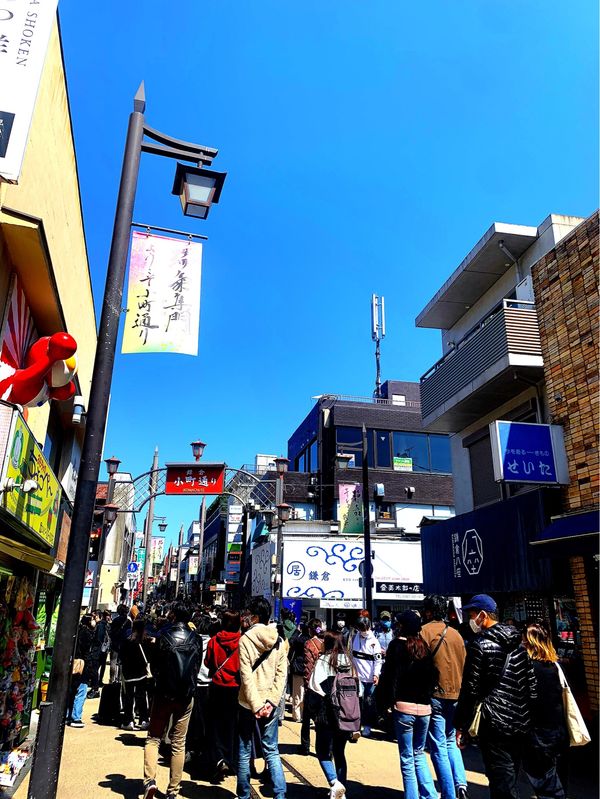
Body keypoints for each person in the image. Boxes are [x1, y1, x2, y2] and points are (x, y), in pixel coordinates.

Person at [455, 594, 537, 799]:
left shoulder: (479, 645)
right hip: (520, 722)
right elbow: (531, 685)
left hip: (494, 724)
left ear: (483, 615)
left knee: (501, 782)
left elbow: (470, 689)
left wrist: (461, 725)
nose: (471, 620)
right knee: (510, 779)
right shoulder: (519, 645)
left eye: (472, 615)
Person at [376, 610, 439, 799]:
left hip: (404, 708)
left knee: (407, 758)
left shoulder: (396, 647)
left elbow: (388, 678)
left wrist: (384, 704)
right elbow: (433, 677)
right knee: (419, 754)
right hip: (425, 709)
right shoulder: (424, 648)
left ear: (402, 627)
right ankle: (430, 795)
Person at [143, 603, 202, 799]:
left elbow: (154, 666)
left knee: (153, 738)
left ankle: (150, 781)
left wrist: (161, 679)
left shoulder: (163, 636)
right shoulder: (196, 639)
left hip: (163, 693)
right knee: (179, 742)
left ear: (174, 616)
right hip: (186, 696)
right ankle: (173, 790)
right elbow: (197, 666)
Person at [237, 596, 287, 799]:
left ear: (255, 616)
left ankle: (244, 795)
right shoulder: (279, 639)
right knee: (272, 751)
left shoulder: (245, 640)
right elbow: (281, 675)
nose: (246, 617)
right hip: (270, 703)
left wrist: (256, 705)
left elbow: (246, 676)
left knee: (244, 751)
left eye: (249, 614)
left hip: (247, 703)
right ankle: (280, 795)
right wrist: (271, 701)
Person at [421, 595, 468, 799]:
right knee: (451, 741)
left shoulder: (424, 632)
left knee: (438, 744)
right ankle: (461, 785)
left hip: (436, 693)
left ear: (429, 611)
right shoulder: (457, 634)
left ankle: (449, 793)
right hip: (457, 693)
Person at [308, 631, 360, 799]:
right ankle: (342, 787)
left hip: (326, 714)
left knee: (322, 751)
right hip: (346, 714)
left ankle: (334, 783)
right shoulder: (350, 662)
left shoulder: (323, 661)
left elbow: (315, 688)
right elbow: (360, 691)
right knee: (339, 752)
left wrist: (312, 712)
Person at [521, 622, 568, 799]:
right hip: (558, 733)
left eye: (524, 642)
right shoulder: (555, 666)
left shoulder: (528, 668)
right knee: (558, 781)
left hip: (537, 735)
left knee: (546, 786)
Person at [204, 609, 242, 776]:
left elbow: (207, 662)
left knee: (215, 725)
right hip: (235, 687)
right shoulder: (242, 642)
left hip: (217, 685)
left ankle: (217, 759)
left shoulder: (214, 641)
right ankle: (230, 759)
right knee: (232, 725)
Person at [350, 616, 382, 737]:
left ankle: (367, 726)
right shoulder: (355, 638)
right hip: (358, 677)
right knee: (357, 702)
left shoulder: (374, 642)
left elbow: (378, 661)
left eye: (364, 628)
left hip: (370, 678)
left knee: (369, 703)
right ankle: (356, 726)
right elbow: (352, 656)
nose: (363, 631)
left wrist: (376, 675)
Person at [120, 617, 152, 731]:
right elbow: (149, 657)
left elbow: (121, 656)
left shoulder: (127, 640)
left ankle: (129, 720)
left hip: (128, 673)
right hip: (141, 672)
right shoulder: (146, 640)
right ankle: (144, 720)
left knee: (129, 697)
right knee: (142, 696)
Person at [301, 617, 325, 754]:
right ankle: (322, 748)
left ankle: (305, 746)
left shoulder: (309, 644)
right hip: (324, 683)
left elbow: (308, 666)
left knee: (306, 718)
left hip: (312, 683)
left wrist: (307, 684)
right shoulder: (325, 642)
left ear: (310, 630)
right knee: (321, 719)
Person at [68, 615, 95, 728]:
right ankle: (76, 717)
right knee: (81, 691)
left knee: (71, 691)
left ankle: (68, 715)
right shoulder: (87, 634)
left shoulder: (75, 631)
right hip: (82, 665)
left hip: (72, 664)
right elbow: (87, 653)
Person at [288, 621, 309, 723]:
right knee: (305, 694)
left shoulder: (299, 639)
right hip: (308, 669)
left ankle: (297, 715)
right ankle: (306, 715)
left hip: (297, 668)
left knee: (297, 693)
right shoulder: (311, 641)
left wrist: (297, 631)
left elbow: (291, 641)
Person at [109, 604, 132, 683]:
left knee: (113, 662)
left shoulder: (115, 620)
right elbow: (129, 633)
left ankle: (112, 679)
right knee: (121, 662)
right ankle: (119, 679)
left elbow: (111, 632)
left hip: (115, 644)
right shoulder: (128, 621)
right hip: (124, 644)